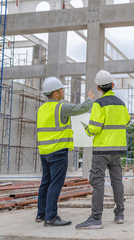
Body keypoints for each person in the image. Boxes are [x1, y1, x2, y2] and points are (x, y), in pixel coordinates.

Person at [36, 76, 95, 227]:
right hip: (58, 152)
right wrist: (89, 99)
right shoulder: (61, 107)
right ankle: (51, 217)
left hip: (44, 151)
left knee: (46, 183)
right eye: (61, 89)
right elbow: (82, 108)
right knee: (55, 184)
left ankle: (41, 214)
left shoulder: (41, 109)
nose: (63, 92)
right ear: (55, 93)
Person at [76, 70, 130, 229]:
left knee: (98, 182)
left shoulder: (99, 104)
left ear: (99, 88)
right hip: (117, 149)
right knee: (117, 182)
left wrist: (87, 131)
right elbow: (126, 121)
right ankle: (119, 214)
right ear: (112, 85)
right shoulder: (121, 103)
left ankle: (96, 218)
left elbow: (94, 127)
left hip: (101, 150)